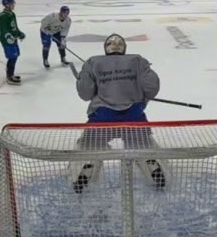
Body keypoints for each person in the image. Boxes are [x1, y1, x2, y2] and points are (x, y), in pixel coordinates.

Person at [70, 34, 163, 192]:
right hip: (134, 115)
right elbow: (152, 88)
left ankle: (88, 165)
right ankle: (151, 163)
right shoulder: (138, 61)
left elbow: (85, 93)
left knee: (90, 145)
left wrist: (83, 78)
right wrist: (140, 99)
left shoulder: (92, 62)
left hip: (102, 116)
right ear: (124, 48)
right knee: (143, 144)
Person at [0, 0, 25, 84]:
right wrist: (9, 37)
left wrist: (19, 33)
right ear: (7, 5)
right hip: (7, 40)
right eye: (12, 4)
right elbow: (4, 29)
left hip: (13, 39)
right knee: (12, 57)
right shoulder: (3, 16)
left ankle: (11, 73)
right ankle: (9, 76)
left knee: (15, 56)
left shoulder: (11, 14)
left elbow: (14, 27)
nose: (14, 5)